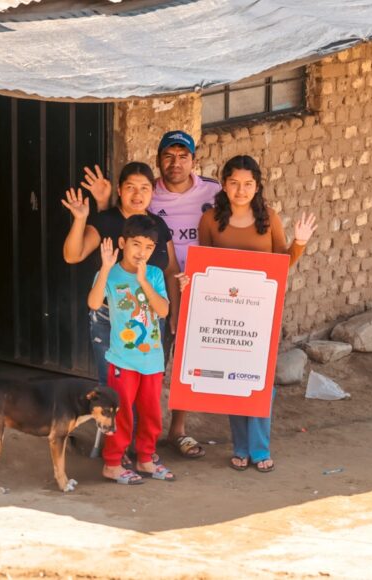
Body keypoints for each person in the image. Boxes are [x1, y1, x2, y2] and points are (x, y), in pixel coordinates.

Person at [195, 155, 317, 473]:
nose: (241, 190)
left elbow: (281, 263)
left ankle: (260, 449)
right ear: (223, 184)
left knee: (260, 383)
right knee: (234, 381)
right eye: (234, 183)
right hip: (222, 315)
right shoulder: (209, 220)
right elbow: (203, 265)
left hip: (260, 315)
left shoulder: (269, 219)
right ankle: (241, 448)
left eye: (248, 184)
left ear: (257, 186)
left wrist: (299, 243)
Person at [62, 162, 178, 387]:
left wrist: (175, 312)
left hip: (151, 318)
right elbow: (72, 256)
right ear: (119, 190)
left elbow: (172, 269)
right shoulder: (106, 221)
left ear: (153, 191)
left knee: (147, 385)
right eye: (130, 187)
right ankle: (119, 425)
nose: (137, 194)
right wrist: (79, 219)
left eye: (144, 188)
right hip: (111, 318)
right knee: (114, 388)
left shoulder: (158, 225)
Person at [149, 130, 221, 460]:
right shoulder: (147, 192)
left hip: (201, 288)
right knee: (153, 359)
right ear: (159, 159)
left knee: (188, 361)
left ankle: (178, 430)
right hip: (155, 287)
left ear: (193, 160)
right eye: (168, 156)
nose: (175, 163)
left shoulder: (214, 191)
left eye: (183, 156)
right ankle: (144, 433)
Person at [87, 215, 175, 484]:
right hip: (122, 359)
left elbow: (163, 310)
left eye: (148, 247)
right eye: (136, 244)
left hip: (152, 360)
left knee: (151, 413)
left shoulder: (155, 274)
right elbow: (93, 303)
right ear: (123, 243)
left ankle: (146, 459)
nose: (142, 252)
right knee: (121, 412)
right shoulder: (110, 274)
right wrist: (104, 269)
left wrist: (144, 281)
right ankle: (112, 463)